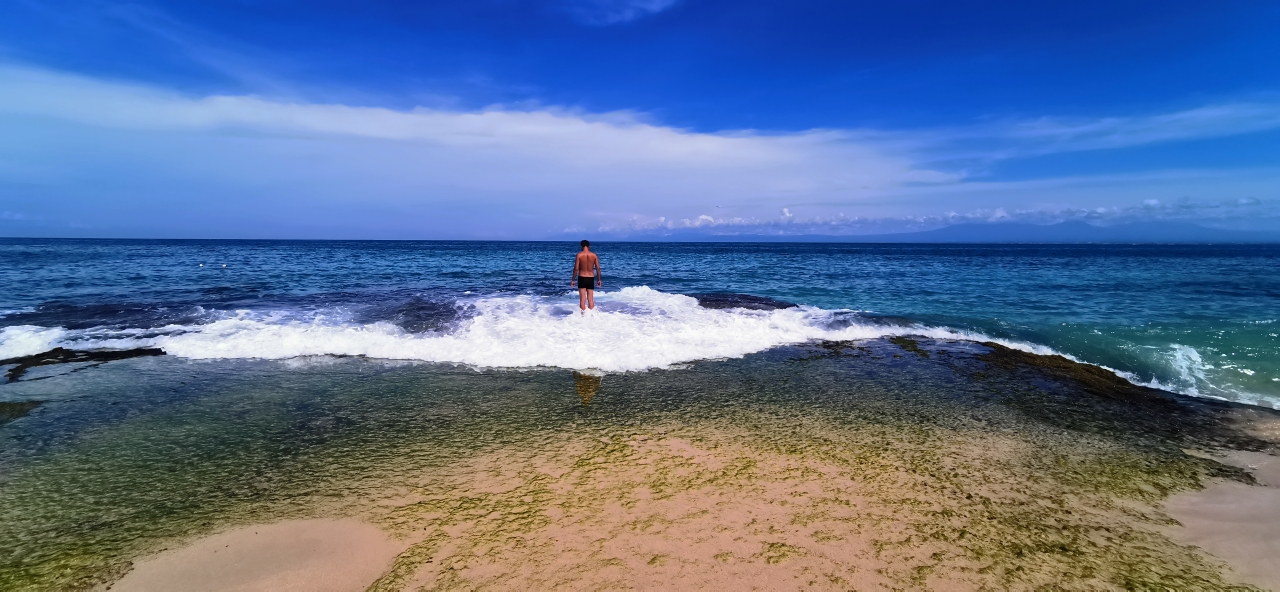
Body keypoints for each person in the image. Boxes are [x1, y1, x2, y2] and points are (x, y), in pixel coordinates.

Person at [571, 239, 602, 311]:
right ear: (589, 246)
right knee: (591, 299)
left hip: (582, 277)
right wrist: (599, 279)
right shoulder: (594, 255)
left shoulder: (579, 255)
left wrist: (573, 279)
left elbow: (576, 268)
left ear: (581, 246)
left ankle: (583, 317)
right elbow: (598, 268)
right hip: (591, 278)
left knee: (582, 299)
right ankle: (591, 316)